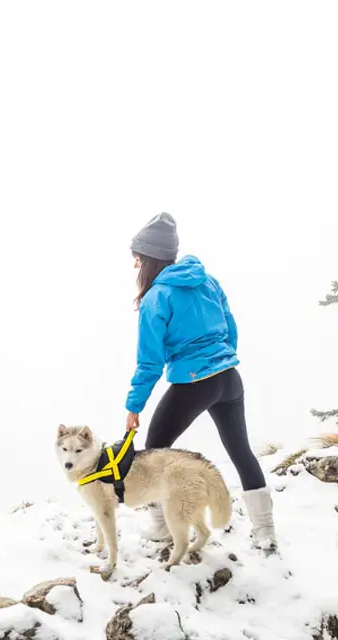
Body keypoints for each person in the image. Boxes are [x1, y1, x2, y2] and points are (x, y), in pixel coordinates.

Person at [124, 212, 276, 550]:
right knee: (241, 451)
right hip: (229, 378)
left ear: (149, 258)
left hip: (194, 383)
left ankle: (162, 526)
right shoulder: (207, 281)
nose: (135, 265)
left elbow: (150, 361)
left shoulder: (156, 298)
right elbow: (230, 326)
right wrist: (220, 361)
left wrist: (134, 406)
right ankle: (265, 533)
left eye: (137, 258)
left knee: (153, 451)